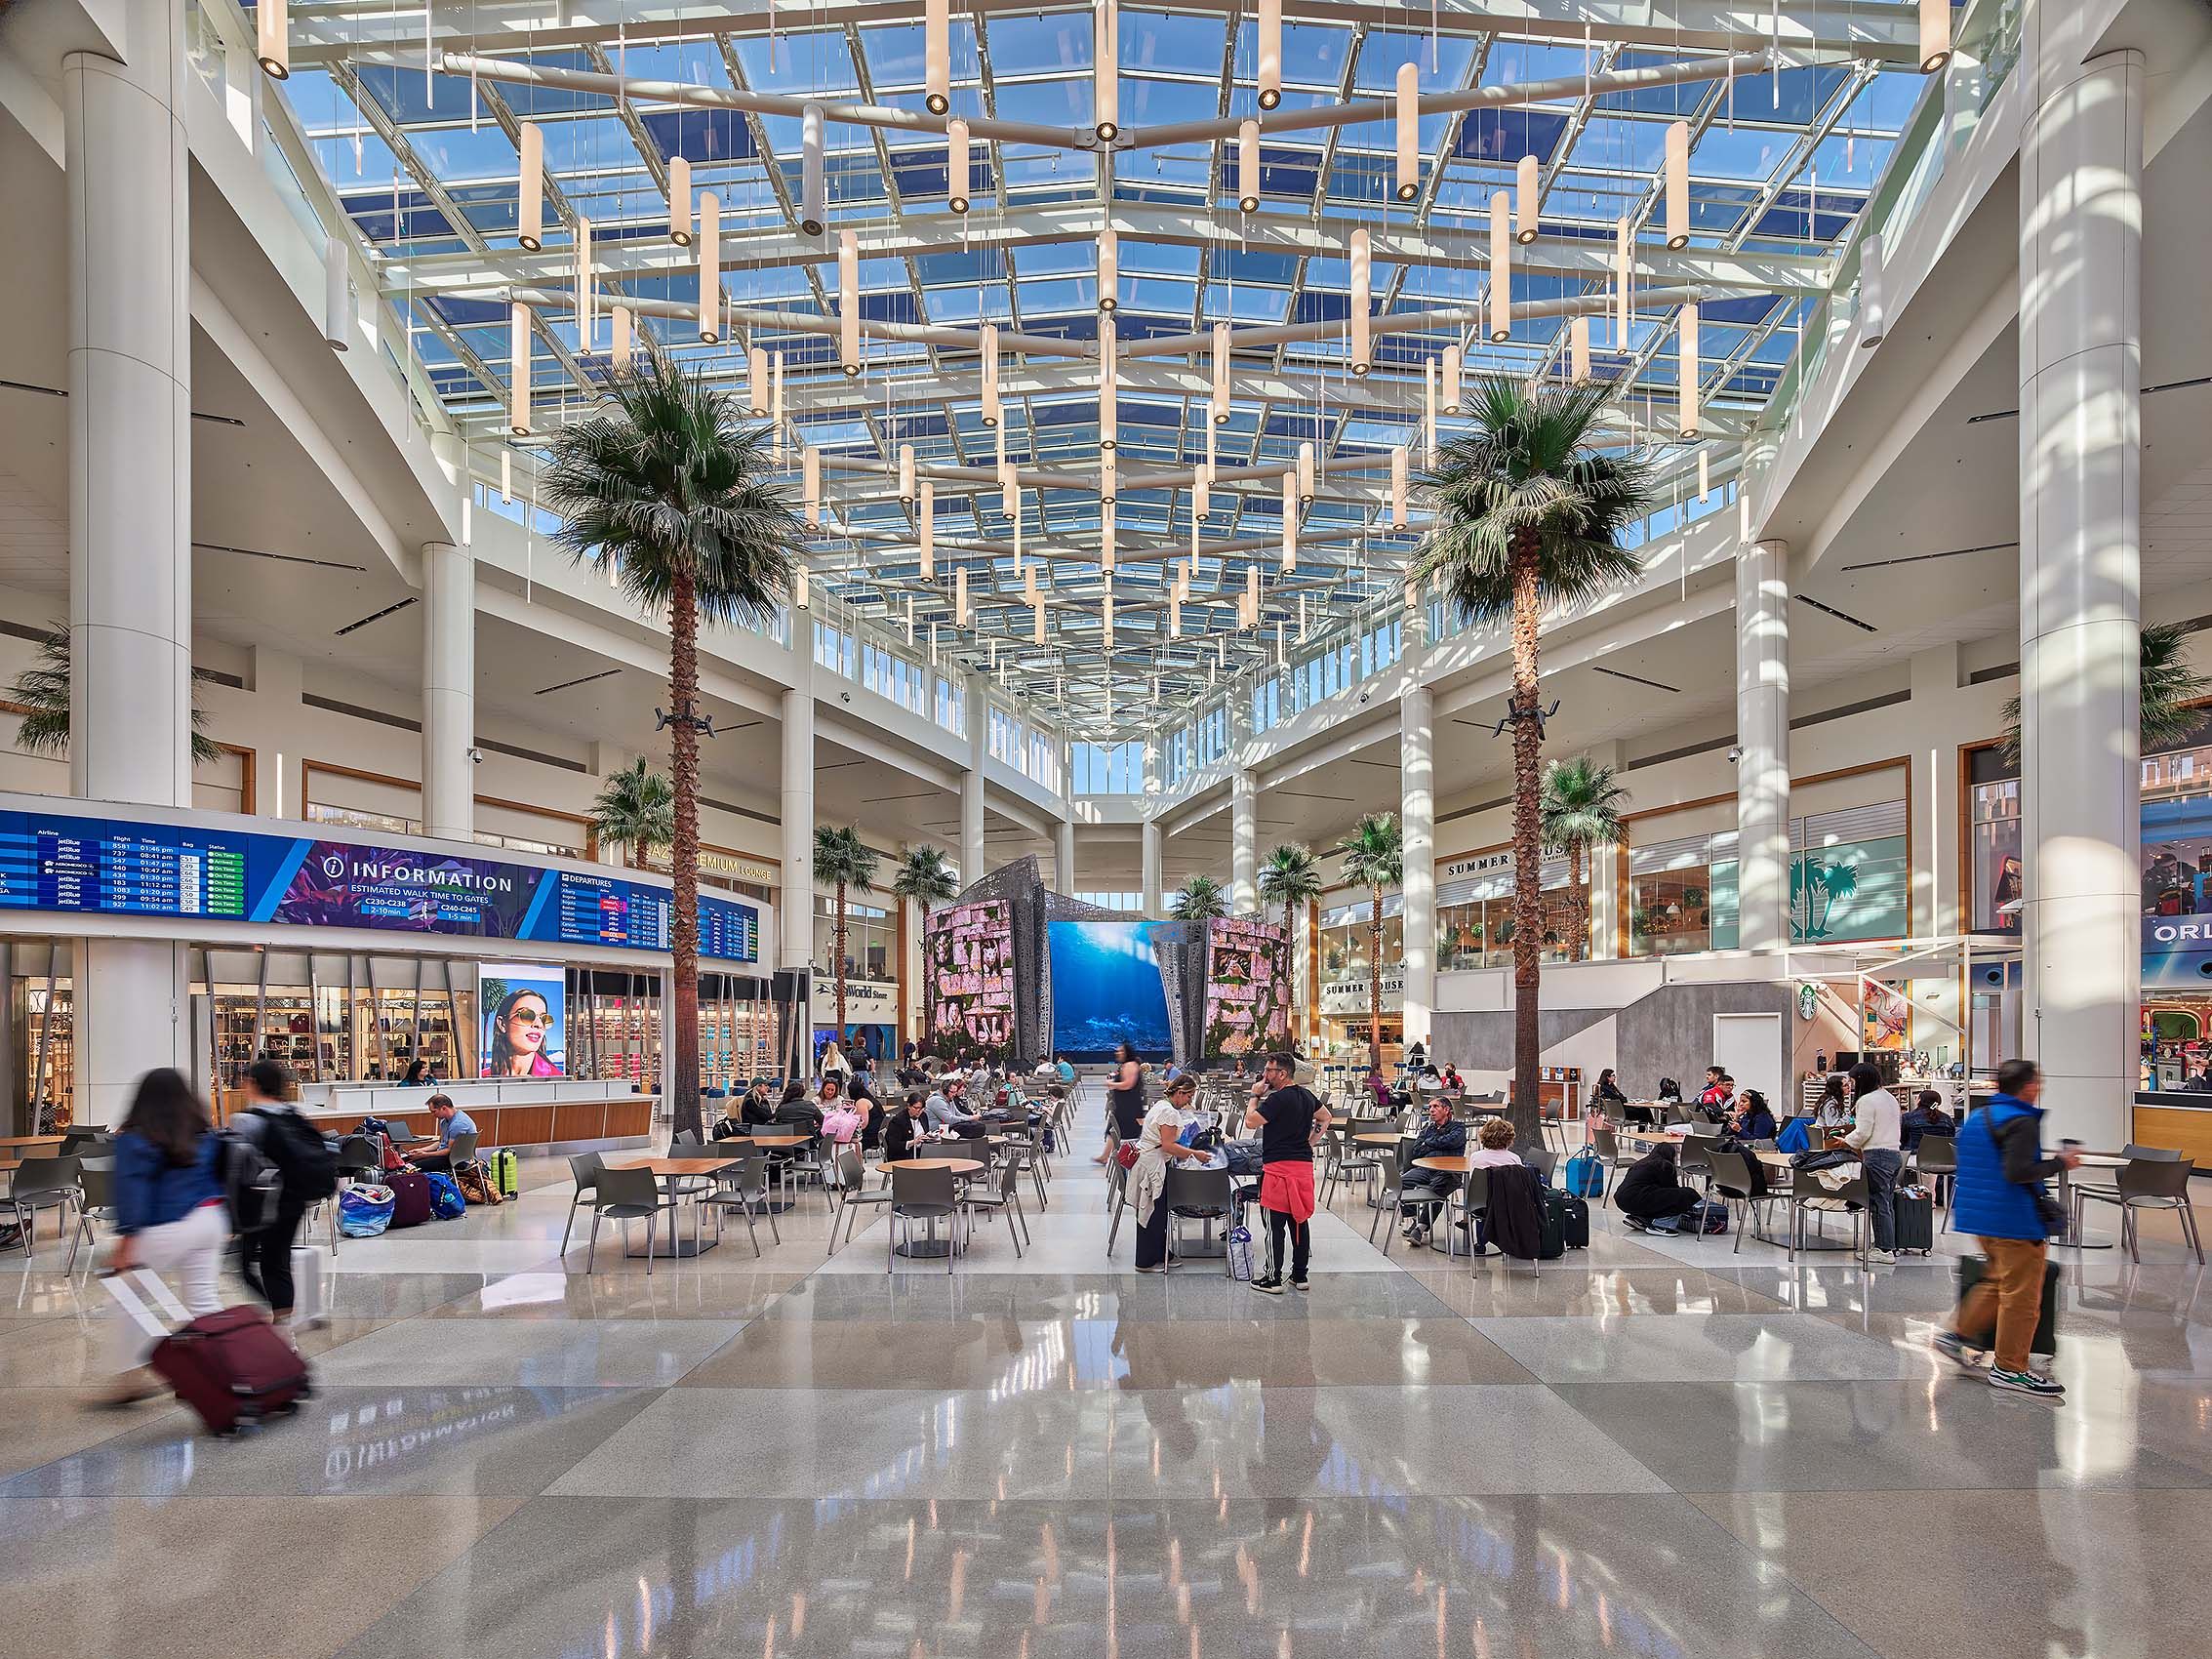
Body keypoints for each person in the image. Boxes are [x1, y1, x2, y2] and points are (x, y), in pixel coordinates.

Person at [1934, 1058, 2076, 1398]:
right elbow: (2018, 1171)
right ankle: (2011, 1368)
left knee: (1998, 1281)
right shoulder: (2021, 1120)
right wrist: (2061, 1162)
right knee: (2022, 1297)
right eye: (2037, 1082)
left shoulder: (1978, 1117)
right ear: (2028, 1086)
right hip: (2014, 1220)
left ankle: (1955, 1334)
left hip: (1981, 1219)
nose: (2039, 1088)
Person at [96, 1069, 228, 1406]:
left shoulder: (137, 1137)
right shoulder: (203, 1132)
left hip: (167, 1223)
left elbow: (132, 1192)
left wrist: (127, 1242)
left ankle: (130, 1379)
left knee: (130, 1296)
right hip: (210, 1218)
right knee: (203, 1303)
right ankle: (229, 1369)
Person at [230, 1058, 335, 1329]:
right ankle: (283, 1319)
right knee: (278, 1261)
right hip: (295, 1199)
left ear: (253, 1084)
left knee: (245, 1266)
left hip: (262, 1202)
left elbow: (235, 1168)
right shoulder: (294, 1115)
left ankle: (279, 1321)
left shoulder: (246, 1120)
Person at [1243, 1051, 1329, 1293]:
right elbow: (1325, 1117)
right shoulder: (1306, 1096)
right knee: (1300, 1220)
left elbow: (1251, 1121)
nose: (1265, 1074)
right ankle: (1300, 1276)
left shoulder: (1277, 1100)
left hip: (1278, 1169)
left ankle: (1273, 1277)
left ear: (1282, 1073)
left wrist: (1254, 1095)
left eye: (1269, 1070)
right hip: (1302, 1168)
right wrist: (1310, 1142)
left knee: (1274, 1224)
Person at [1133, 1074, 1211, 1272]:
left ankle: (1159, 1252)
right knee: (1152, 1212)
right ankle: (1146, 1260)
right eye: (1188, 1096)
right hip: (1153, 1165)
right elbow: (1168, 1146)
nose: (1189, 1101)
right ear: (1179, 1093)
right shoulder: (1169, 1113)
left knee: (1156, 1212)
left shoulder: (1161, 1105)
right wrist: (1195, 1154)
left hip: (1151, 1161)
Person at [1843, 1062, 1904, 1264]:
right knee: (1886, 1202)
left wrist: (1846, 1141)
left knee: (1877, 1202)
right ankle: (1888, 1245)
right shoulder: (1890, 1098)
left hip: (1876, 1156)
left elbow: (1863, 1132)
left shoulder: (1866, 1101)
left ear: (1860, 1080)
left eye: (1852, 1081)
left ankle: (1883, 1249)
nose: (1851, 1086)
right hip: (1895, 1154)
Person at [1398, 1095, 1467, 1246]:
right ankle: (1415, 1218)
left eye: (1436, 1107)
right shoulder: (1428, 1129)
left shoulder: (1458, 1128)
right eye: (1430, 1108)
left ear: (1447, 1109)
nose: (1431, 1110)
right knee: (1402, 1182)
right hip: (1426, 1169)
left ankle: (1421, 1228)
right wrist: (1435, 1144)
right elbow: (1416, 1150)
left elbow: (1452, 1141)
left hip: (1449, 1172)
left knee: (1437, 1190)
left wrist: (1428, 1143)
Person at [1463, 1116, 1533, 1252]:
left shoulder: (1476, 1157)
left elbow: (1473, 1180)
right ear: (1509, 1138)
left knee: (1476, 1201)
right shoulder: (1514, 1158)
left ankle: (1479, 1241)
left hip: (1481, 1204)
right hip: (1508, 1204)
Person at [1613, 1140, 1705, 1233]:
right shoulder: (1664, 1165)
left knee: (1656, 1197)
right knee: (1686, 1195)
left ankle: (1640, 1218)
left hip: (1622, 1200)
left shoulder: (1641, 1163)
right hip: (1637, 1199)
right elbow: (1672, 1189)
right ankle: (1660, 1225)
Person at [484, 987, 561, 1077]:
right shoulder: (483, 1077)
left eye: (544, 1019)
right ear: (502, 1024)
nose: (539, 1024)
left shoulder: (556, 1078)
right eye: (526, 1015)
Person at [407, 1094, 477, 1174]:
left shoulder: (458, 1124)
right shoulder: (444, 1121)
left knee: (411, 1167)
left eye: (434, 1111)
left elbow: (449, 1151)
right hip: (446, 1156)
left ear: (444, 1108)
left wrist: (424, 1155)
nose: (433, 1115)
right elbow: (440, 1143)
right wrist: (421, 1150)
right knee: (408, 1161)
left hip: (456, 1160)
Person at [1100, 1041, 1146, 1161]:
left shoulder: (1130, 1065)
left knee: (1125, 1132)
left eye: (1120, 1051)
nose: (1118, 1053)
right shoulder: (1128, 1065)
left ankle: (1129, 1158)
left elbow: (1128, 1084)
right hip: (1123, 1106)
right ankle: (1105, 1156)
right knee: (1113, 1130)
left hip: (1128, 1107)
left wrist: (1112, 1084)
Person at [1902, 1088, 1955, 1153]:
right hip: (1944, 1158)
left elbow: (1901, 1140)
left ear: (1919, 1100)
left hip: (1914, 1157)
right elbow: (1952, 1138)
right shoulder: (1947, 1119)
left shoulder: (1907, 1117)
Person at [882, 1092, 929, 1163]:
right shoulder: (898, 1121)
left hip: (921, 1152)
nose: (919, 1111)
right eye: (916, 1108)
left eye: (922, 1108)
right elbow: (893, 1145)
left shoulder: (923, 1116)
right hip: (903, 1156)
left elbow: (926, 1132)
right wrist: (913, 1142)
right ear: (909, 1106)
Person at [1812, 1073, 1852, 1137]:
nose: (1849, 1087)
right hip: (1826, 1138)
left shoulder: (1837, 1100)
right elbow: (1833, 1127)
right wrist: (1849, 1115)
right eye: (1845, 1085)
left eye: (1848, 1084)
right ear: (1837, 1089)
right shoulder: (1830, 1104)